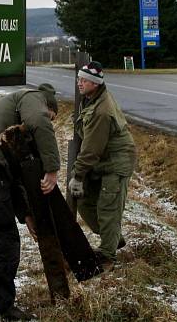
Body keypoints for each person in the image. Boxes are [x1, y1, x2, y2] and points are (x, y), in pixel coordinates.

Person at [0, 84, 60, 320]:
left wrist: (25, 215)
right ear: (48, 106)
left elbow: (13, 179)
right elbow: (39, 121)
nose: (48, 122)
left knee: (0, 236)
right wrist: (52, 169)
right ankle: (2, 308)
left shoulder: (10, 129)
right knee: (4, 239)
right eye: (51, 117)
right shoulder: (34, 98)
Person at [68, 61, 136, 270]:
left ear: (95, 84)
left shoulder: (101, 111)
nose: (80, 83)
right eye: (79, 79)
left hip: (115, 163)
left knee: (108, 208)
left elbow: (91, 150)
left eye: (85, 80)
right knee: (85, 201)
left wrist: (77, 175)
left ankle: (107, 258)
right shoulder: (90, 100)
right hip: (102, 162)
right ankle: (113, 238)